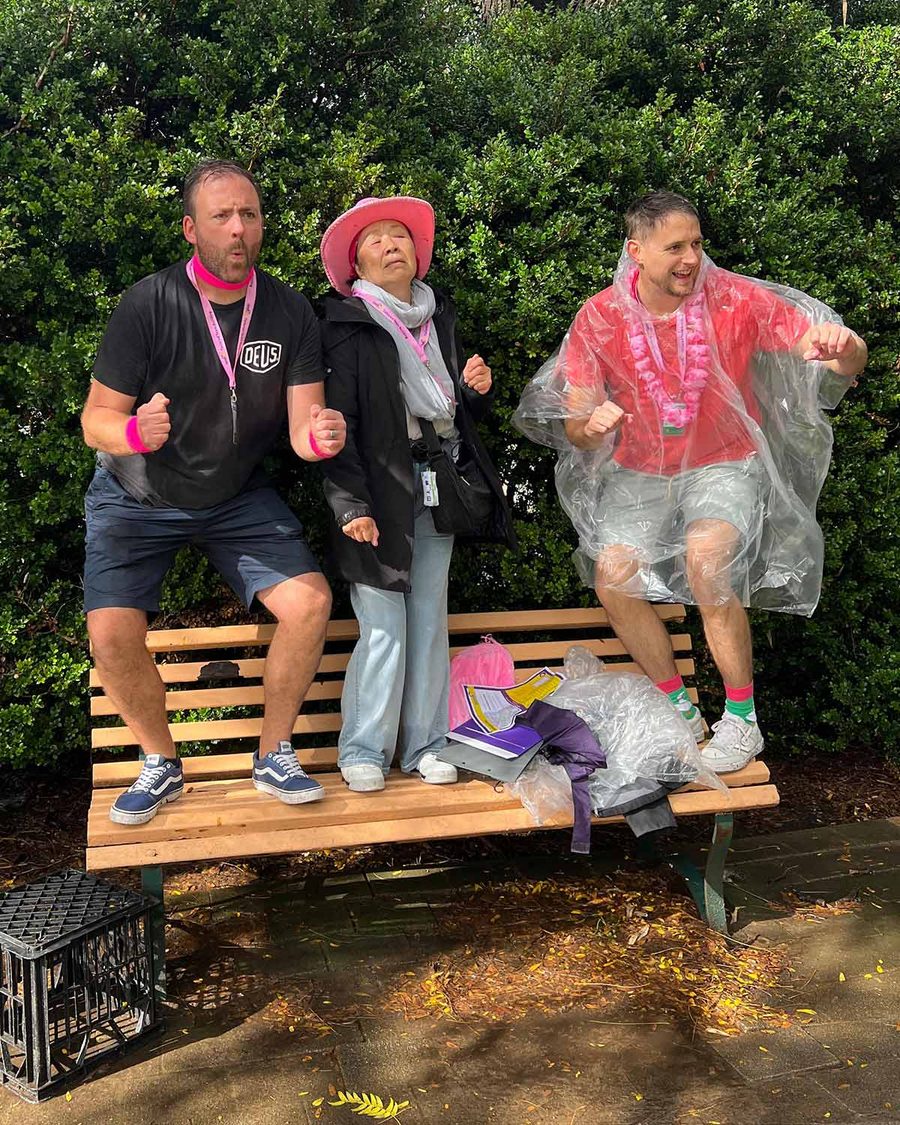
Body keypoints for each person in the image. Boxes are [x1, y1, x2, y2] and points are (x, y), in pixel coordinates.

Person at [514, 190, 867, 773]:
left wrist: (845, 348)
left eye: (697, 244)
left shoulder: (734, 299)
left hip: (723, 461)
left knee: (708, 564)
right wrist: (590, 426)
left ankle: (743, 719)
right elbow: (576, 426)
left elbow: (831, 356)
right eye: (674, 247)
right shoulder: (600, 318)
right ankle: (679, 708)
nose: (691, 259)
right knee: (613, 578)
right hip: (638, 470)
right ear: (636, 252)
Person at [81, 159, 347, 825]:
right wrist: (135, 433)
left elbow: (302, 429)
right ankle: (159, 761)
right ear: (190, 229)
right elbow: (95, 421)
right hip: (137, 495)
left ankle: (273, 753)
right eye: (221, 216)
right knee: (110, 630)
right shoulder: (148, 304)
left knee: (310, 603)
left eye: (248, 214)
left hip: (234, 495)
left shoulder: (289, 310)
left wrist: (322, 438)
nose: (238, 229)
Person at [318, 196, 516, 792]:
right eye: (374, 240)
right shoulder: (348, 325)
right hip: (377, 493)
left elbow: (450, 410)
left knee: (429, 621)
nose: (390, 245)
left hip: (437, 483)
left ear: (417, 252)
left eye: (399, 235)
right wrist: (350, 505)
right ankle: (363, 750)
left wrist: (473, 391)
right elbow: (336, 424)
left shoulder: (437, 318)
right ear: (356, 264)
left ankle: (426, 745)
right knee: (383, 625)